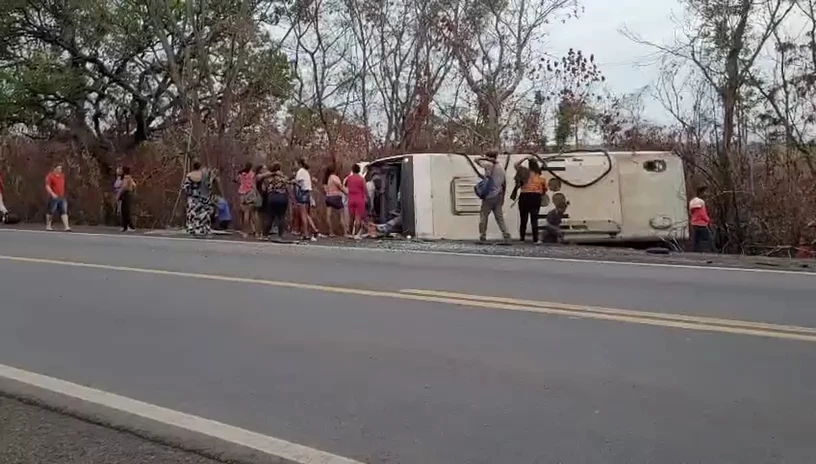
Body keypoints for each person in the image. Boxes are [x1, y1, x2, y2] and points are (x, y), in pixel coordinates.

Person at [476, 151, 510, 242]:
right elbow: (504, 183)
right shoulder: (501, 166)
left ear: (489, 157)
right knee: (499, 217)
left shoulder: (489, 165)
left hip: (489, 196)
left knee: (483, 216)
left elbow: (476, 160)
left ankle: (482, 236)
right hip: (499, 194)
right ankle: (506, 235)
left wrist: (484, 158)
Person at [514, 156, 547, 243]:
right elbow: (544, 190)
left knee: (523, 218)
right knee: (534, 219)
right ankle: (535, 239)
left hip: (524, 196)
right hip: (536, 197)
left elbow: (516, 164)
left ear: (529, 165)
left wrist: (525, 158)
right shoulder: (540, 177)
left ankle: (522, 238)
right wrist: (538, 159)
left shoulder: (524, 172)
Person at [182, 161, 216, 237]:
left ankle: (191, 227)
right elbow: (209, 186)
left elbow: (186, 187)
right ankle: (203, 227)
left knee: (192, 212)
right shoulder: (204, 176)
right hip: (203, 197)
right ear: (200, 167)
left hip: (193, 197)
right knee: (203, 213)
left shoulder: (189, 176)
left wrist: (189, 193)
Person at [263, 161, 290, 239]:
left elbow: (264, 189)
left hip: (272, 197)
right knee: (281, 216)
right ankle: (280, 235)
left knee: (270, 216)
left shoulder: (268, 178)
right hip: (282, 197)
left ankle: (265, 235)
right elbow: (287, 185)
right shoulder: (284, 177)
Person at [294, 158, 318, 241]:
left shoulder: (300, 171)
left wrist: (292, 181)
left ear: (299, 164)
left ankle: (306, 233)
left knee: (303, 214)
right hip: (308, 193)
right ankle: (314, 229)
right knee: (306, 214)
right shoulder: (306, 172)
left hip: (302, 193)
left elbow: (298, 182)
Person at [324, 166, 348, 237]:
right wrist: (347, 192)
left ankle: (330, 232)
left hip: (328, 197)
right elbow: (340, 186)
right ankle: (345, 233)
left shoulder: (328, 178)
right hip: (336, 197)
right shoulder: (335, 177)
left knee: (328, 216)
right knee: (342, 215)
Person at [45, 163, 71, 232]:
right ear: (54, 169)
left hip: (61, 196)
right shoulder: (50, 176)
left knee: (64, 211)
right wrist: (52, 193)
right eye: (58, 168)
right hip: (53, 197)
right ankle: (48, 226)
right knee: (51, 211)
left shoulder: (62, 176)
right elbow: (47, 186)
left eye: (61, 168)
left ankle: (67, 227)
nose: (60, 170)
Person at [345, 163, 367, 239]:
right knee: (358, 218)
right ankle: (357, 234)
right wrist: (367, 197)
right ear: (359, 170)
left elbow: (345, 186)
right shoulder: (361, 179)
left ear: (352, 170)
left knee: (351, 217)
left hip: (351, 198)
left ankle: (350, 233)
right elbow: (365, 189)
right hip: (359, 199)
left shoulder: (349, 178)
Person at [236, 162, 259, 237]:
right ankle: (257, 232)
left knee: (246, 213)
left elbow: (238, 181)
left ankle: (245, 232)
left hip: (242, 193)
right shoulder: (252, 174)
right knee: (253, 214)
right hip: (250, 193)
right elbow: (254, 184)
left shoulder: (241, 174)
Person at [689, 186, 713, 252]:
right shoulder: (701, 202)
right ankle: (705, 251)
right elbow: (702, 213)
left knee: (696, 239)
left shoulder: (692, 202)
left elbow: (691, 213)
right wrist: (708, 220)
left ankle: (695, 251)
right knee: (706, 239)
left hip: (694, 223)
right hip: (702, 224)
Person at [117, 166, 136, 232]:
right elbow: (134, 185)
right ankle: (127, 226)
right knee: (126, 210)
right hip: (129, 194)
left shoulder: (126, 177)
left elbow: (124, 187)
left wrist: (119, 194)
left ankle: (129, 226)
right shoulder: (130, 177)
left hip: (125, 194)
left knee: (125, 211)